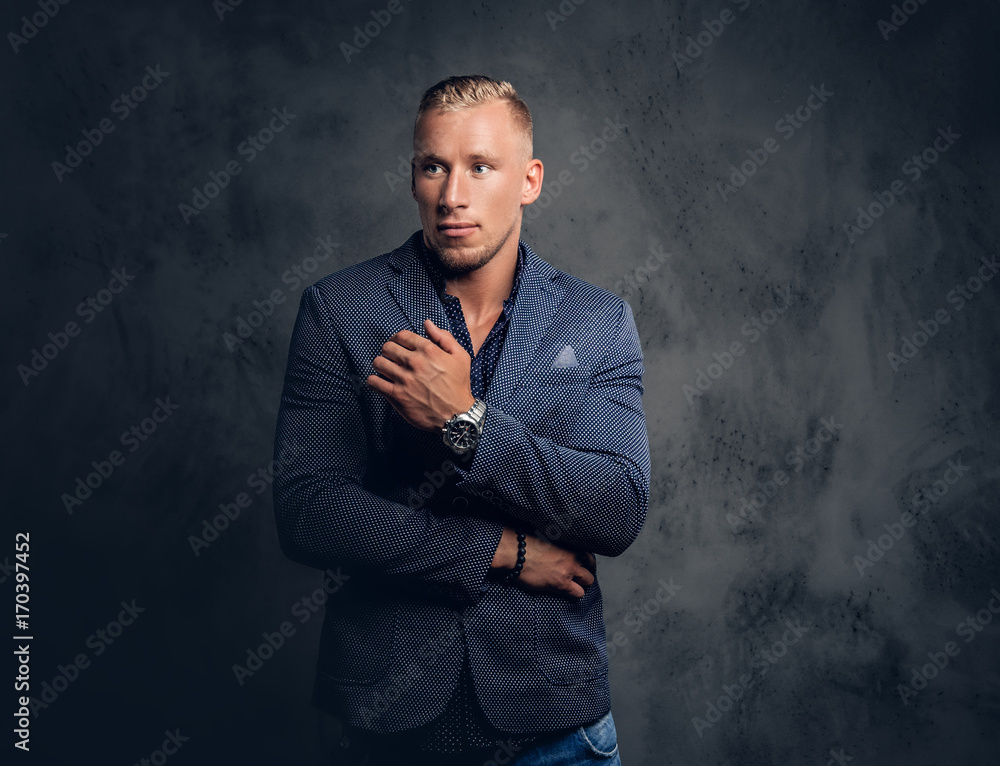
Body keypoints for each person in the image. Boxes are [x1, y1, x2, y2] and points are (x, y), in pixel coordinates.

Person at [273, 74, 649, 765]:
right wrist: (503, 553)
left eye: (480, 167)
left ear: (529, 180)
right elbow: (309, 511)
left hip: (555, 729)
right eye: (433, 167)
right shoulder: (340, 309)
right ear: (413, 175)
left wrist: (465, 422)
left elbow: (616, 508)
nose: (452, 196)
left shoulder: (597, 322)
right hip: (385, 726)